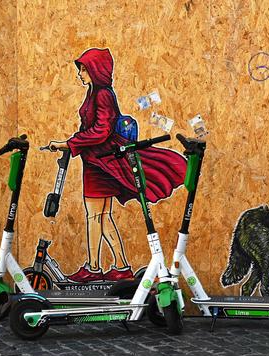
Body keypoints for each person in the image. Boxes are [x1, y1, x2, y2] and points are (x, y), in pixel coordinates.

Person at [48, 48, 187, 283]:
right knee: (102, 216)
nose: (80, 74)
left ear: (95, 70)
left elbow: (101, 131)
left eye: (83, 69)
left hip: (100, 162)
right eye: (80, 69)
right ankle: (121, 265)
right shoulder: (95, 93)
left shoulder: (103, 95)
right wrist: (73, 145)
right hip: (99, 161)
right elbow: (93, 129)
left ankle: (93, 267)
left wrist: (68, 144)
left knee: (95, 216)